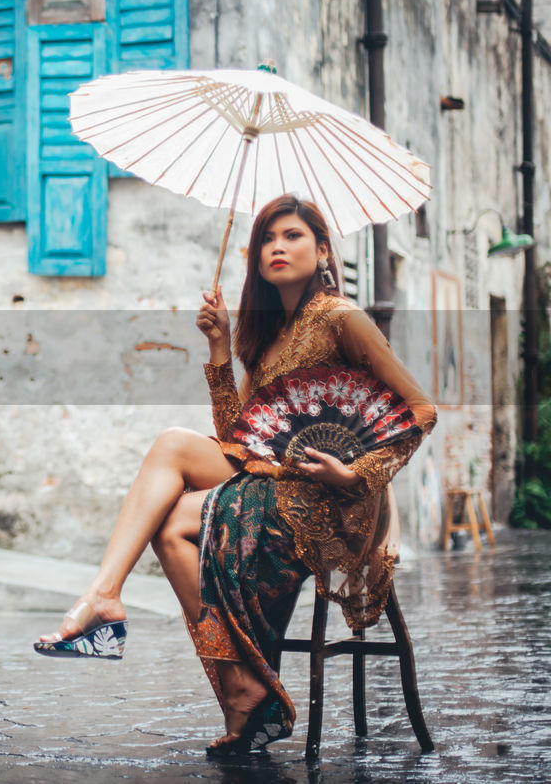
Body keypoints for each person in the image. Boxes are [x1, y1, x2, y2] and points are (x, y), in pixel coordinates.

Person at [34, 194, 436, 755]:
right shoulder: (268, 336)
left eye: (292, 236)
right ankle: (226, 675)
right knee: (171, 503)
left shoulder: (344, 320)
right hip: (274, 485)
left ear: (322, 250)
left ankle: (233, 685)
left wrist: (354, 475)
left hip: (334, 504)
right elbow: (238, 441)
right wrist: (221, 350)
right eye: (267, 239)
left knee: (173, 507)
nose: (276, 246)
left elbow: (420, 411)